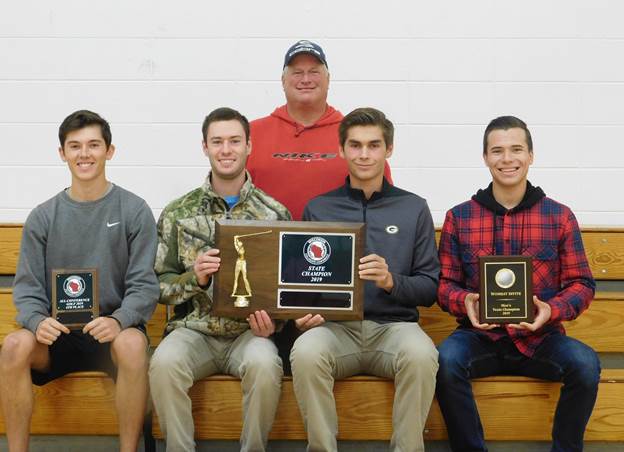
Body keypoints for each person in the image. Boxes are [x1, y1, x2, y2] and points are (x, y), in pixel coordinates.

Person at [435, 115, 600, 452]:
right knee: (444, 361)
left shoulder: (560, 216)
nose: (507, 159)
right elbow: (444, 283)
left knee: (585, 364)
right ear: (485, 158)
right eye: (497, 151)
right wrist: (465, 301)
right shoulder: (459, 217)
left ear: (531, 156)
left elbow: (582, 283)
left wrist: (551, 310)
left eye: (516, 150)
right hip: (478, 337)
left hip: (541, 338)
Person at [0, 110, 159, 452]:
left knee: (133, 345)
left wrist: (119, 320)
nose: (84, 154)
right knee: (14, 346)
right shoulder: (43, 216)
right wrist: (37, 321)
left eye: (93, 145)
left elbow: (144, 286)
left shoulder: (134, 210)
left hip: (111, 331)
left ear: (109, 151)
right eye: (74, 146)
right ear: (62, 153)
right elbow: (27, 290)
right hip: (57, 335)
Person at [290, 107, 440, 452]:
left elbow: (430, 287)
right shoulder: (319, 209)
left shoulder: (413, 207)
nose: (364, 154)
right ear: (342, 150)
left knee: (421, 355)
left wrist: (391, 281)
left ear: (388, 149)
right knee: (306, 352)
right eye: (355, 145)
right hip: (335, 329)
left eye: (373, 145)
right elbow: (300, 284)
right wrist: (302, 313)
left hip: (395, 328)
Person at [148, 107, 291, 452]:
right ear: (205, 147)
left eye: (234, 141)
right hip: (193, 331)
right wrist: (193, 278)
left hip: (248, 334)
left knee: (264, 364)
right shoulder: (179, 212)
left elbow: (287, 291)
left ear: (248, 146)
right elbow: (157, 285)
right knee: (164, 363)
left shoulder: (275, 213)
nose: (226, 149)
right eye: (217, 142)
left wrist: (273, 324)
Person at [247, 39, 392, 220]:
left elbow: (385, 205)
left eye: (314, 72)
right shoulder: (252, 134)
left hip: (341, 246)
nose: (306, 79)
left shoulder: (355, 136)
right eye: (297, 73)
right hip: (264, 245)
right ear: (283, 80)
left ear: (328, 79)